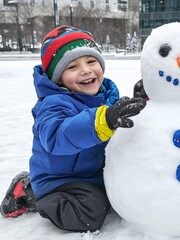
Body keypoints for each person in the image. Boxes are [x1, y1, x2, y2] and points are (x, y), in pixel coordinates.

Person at [0, 25, 146, 232]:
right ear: (58, 78)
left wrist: (145, 102)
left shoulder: (107, 95)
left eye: (91, 61)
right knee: (89, 213)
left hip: (95, 171)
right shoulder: (53, 104)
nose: (85, 70)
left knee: (128, 191)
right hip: (61, 180)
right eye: (72, 67)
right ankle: (30, 193)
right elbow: (57, 136)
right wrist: (103, 120)